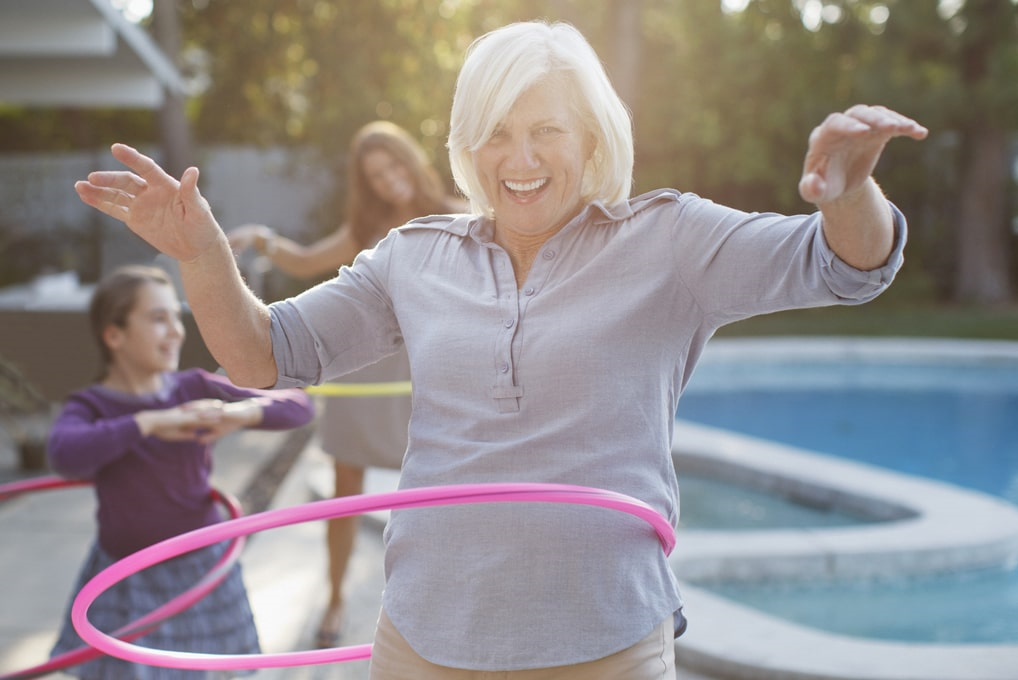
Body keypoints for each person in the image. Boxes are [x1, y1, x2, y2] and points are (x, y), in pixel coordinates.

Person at [73, 19, 928, 679]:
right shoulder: (415, 257)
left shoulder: (670, 239)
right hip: (426, 640)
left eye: (546, 130)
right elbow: (265, 356)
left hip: (604, 642)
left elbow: (843, 265)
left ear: (592, 137)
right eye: (495, 131)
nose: (519, 158)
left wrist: (851, 195)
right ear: (467, 145)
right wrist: (203, 257)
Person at [225, 120, 467, 648]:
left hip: (423, 377)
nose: (388, 181)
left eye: (393, 166)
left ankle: (440, 604)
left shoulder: (458, 215)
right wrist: (259, 241)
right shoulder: (368, 231)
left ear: (411, 159)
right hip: (362, 373)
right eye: (376, 176)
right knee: (345, 490)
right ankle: (334, 598)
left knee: (436, 494)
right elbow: (306, 259)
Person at [46, 264, 315, 680]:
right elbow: (65, 453)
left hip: (198, 564)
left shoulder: (194, 388)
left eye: (176, 316)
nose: (176, 330)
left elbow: (298, 406)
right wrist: (149, 423)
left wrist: (239, 414)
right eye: (158, 319)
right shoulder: (93, 406)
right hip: (125, 571)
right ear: (114, 335)